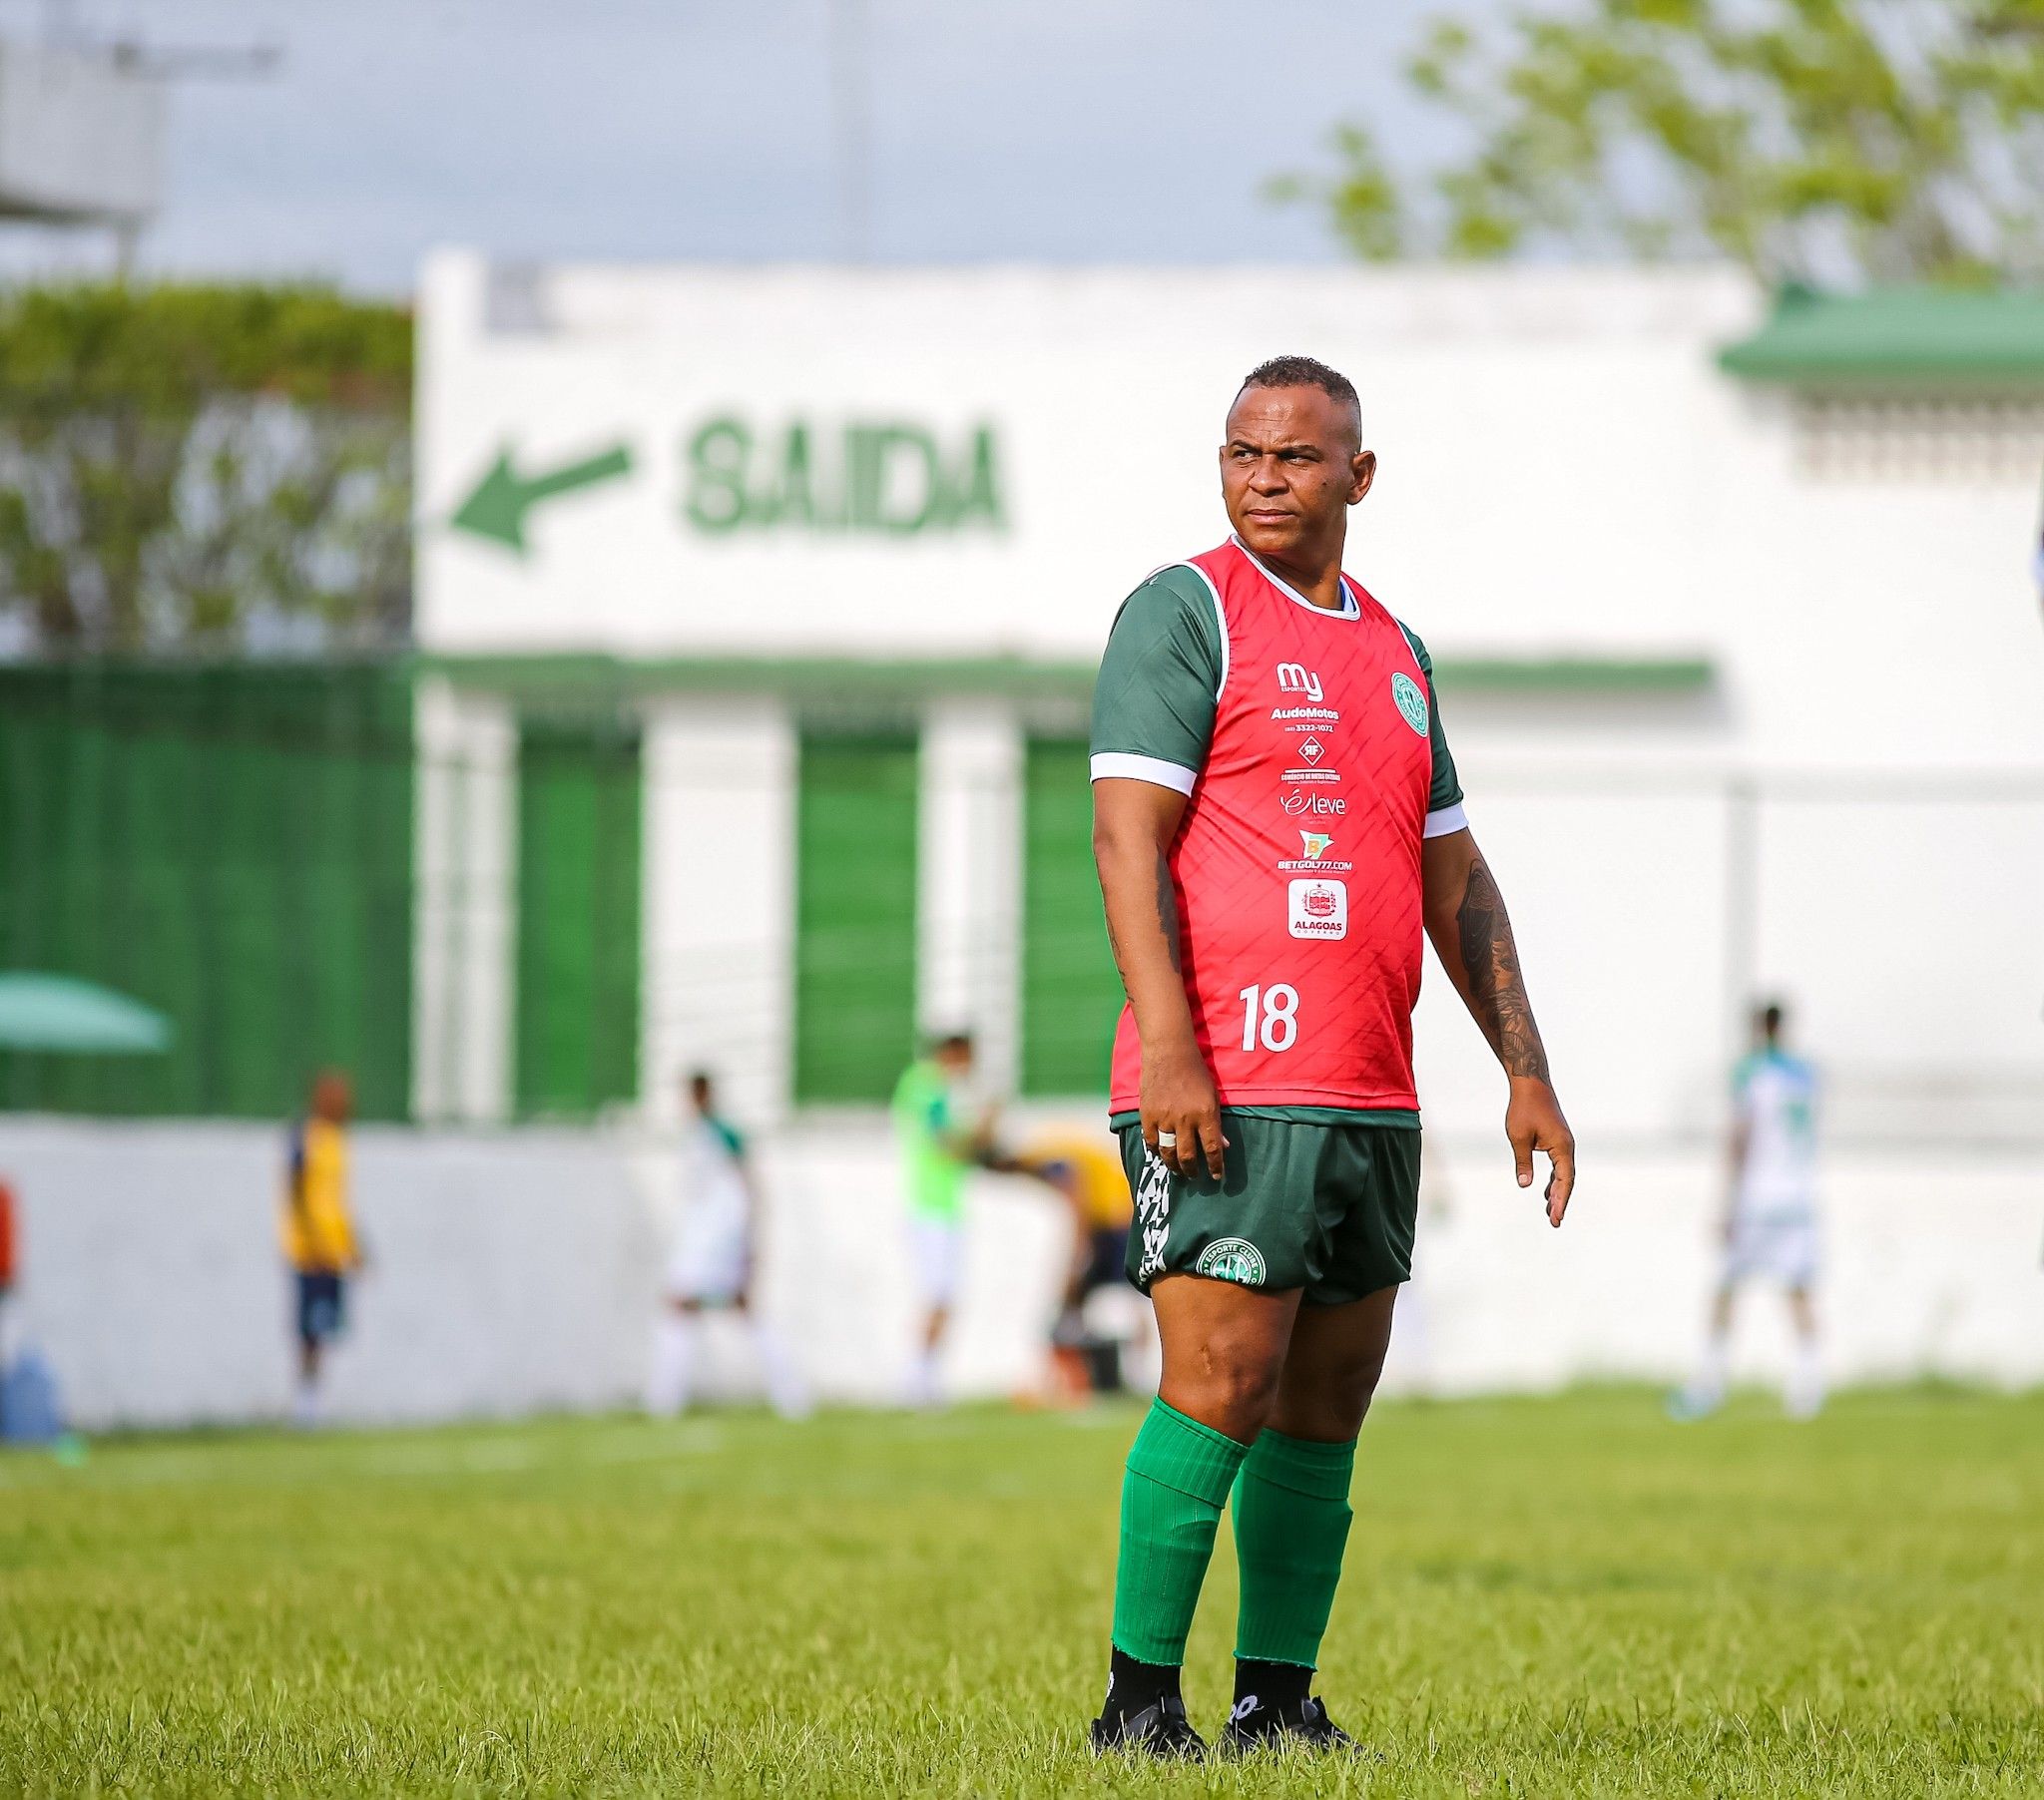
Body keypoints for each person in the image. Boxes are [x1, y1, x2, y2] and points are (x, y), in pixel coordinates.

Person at [1086, 356, 1576, 1758]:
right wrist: (1172, 1048)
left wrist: (1523, 1069)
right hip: (1230, 1081)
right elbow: (1129, 840)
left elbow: (1457, 876)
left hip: (1373, 1091)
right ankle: (1136, 1707)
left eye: (1295, 458)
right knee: (1220, 1383)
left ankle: (1277, 1702)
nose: (1262, 477)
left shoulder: (1399, 654)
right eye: (1241, 452)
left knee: (1327, 1402)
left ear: (1359, 477)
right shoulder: (1185, 614)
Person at [1671, 1002, 1823, 1421]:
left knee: (1725, 1289)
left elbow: (1740, 1140)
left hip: (1758, 1197)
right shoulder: (1806, 1077)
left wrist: (1726, 1204)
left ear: (1758, 1028)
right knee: (1798, 1290)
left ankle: (1707, 1385)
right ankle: (1807, 1390)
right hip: (1798, 1196)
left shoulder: (1752, 1074)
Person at [647, 1071, 808, 1419]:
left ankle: (664, 1402)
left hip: (718, 1239)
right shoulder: (694, 1137)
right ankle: (790, 1395)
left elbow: (747, 1184)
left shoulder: (722, 1135)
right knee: (698, 1306)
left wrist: (750, 1239)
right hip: (703, 1237)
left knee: (693, 1303)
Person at [890, 1033, 989, 1407]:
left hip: (938, 1206)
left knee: (943, 1296)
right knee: (938, 1295)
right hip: (931, 1207)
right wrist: (981, 1131)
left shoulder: (925, 1087)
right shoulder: (928, 1086)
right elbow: (946, 1144)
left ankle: (923, 1380)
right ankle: (915, 1381)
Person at [1008, 1131, 1141, 1398]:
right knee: (1093, 1301)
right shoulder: (1048, 1146)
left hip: (1116, 1223)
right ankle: (1083, 1375)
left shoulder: (1046, 1161)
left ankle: (1127, 1374)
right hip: (1114, 1217)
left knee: (1126, 1299)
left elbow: (1076, 1203)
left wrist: (1078, 1258)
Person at [280, 1070, 362, 1428]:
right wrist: (309, 1238)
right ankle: (305, 1406)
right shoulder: (304, 1135)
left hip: (333, 1251)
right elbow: (296, 1189)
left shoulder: (338, 1140)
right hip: (309, 1251)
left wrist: (354, 1245)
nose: (342, 1102)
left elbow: (338, 1202)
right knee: (309, 1330)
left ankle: (315, 1401)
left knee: (326, 1328)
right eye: (334, 1095)